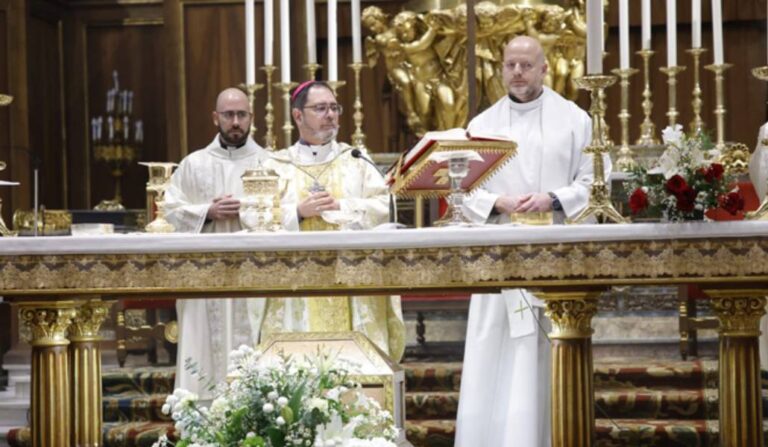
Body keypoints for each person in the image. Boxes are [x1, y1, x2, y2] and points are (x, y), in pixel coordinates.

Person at [455, 36, 610, 446]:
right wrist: (498, 201)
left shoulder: (576, 120)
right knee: (495, 354)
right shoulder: (481, 126)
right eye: (510, 65)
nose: (518, 73)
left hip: (554, 259)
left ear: (544, 68)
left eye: (526, 65)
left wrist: (553, 197)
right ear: (501, 69)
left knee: (544, 357)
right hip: (500, 261)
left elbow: (597, 180)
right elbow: (461, 190)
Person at [249, 81, 406, 361]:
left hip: (351, 282)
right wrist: (296, 212)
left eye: (334, 108)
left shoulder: (356, 161)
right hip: (296, 289)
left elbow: (386, 206)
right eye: (321, 108)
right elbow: (252, 215)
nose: (331, 115)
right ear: (298, 116)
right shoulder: (275, 166)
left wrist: (342, 206)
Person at [163, 87, 268, 398]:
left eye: (241, 115)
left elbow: (285, 211)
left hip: (254, 276)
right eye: (228, 115)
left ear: (252, 117)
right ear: (215, 118)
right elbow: (166, 214)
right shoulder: (193, 164)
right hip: (203, 277)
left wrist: (245, 209)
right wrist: (206, 211)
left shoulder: (269, 163)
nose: (235, 122)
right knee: (202, 350)